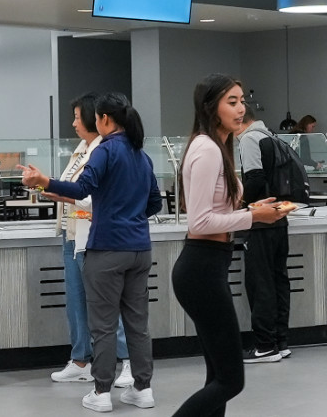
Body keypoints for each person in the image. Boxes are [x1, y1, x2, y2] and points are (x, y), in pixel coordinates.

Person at [20, 93, 164, 413]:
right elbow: (155, 202)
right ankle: (143, 388)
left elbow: (81, 189)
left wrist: (43, 181)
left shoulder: (105, 150)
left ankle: (101, 393)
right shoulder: (141, 155)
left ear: (103, 120)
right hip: (139, 249)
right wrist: (129, 216)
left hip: (106, 250)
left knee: (103, 324)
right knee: (138, 324)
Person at [172, 74, 293, 416]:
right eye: (232, 102)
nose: (241, 109)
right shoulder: (208, 149)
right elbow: (200, 222)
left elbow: (218, 210)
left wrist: (251, 209)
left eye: (242, 101)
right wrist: (254, 218)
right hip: (201, 269)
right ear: (211, 107)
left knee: (217, 375)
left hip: (209, 265)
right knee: (231, 379)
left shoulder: (217, 146)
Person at [46, 94, 133, 389]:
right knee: (76, 302)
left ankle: (127, 361)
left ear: (98, 119)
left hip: (94, 236)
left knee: (105, 305)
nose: (73, 123)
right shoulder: (81, 150)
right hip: (72, 235)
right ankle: (81, 359)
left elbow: (92, 196)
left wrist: (59, 192)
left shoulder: (105, 151)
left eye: (77, 116)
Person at [235, 102, 293, 363]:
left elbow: (255, 178)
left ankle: (264, 345)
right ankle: (281, 341)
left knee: (261, 283)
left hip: (261, 220)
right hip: (280, 218)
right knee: (279, 280)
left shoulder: (249, 140)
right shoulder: (271, 136)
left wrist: (239, 204)